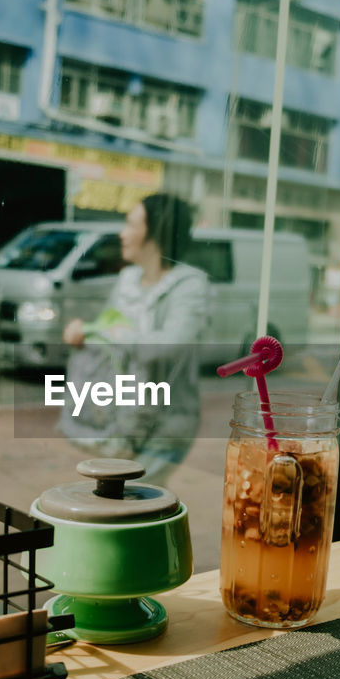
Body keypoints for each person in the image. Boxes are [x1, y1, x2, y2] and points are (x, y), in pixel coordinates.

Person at [60, 193, 208, 485]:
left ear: (154, 234)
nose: (122, 233)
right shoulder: (127, 279)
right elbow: (107, 334)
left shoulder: (190, 285)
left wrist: (109, 333)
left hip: (165, 427)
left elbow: (165, 348)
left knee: (134, 502)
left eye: (130, 224)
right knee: (127, 505)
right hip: (121, 422)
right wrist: (84, 332)